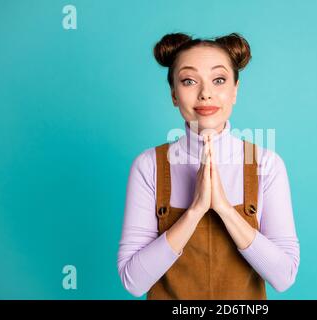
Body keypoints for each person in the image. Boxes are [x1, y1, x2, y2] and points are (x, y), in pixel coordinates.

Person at [117, 32, 300, 299]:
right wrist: (195, 210)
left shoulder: (266, 165)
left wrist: (225, 210)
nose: (206, 94)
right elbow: (133, 282)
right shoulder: (149, 166)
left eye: (219, 80)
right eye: (189, 81)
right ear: (174, 94)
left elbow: (284, 277)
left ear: (235, 90)